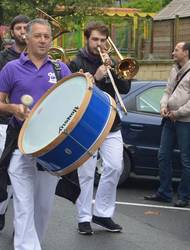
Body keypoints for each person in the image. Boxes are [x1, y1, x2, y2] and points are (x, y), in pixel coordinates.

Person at [0, 18, 72, 249]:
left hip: (50, 149)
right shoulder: (11, 68)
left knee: (43, 208)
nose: (44, 40)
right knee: (24, 207)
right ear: (27, 37)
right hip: (20, 146)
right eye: (38, 36)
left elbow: (72, 102)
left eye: (47, 36)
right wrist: (12, 108)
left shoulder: (60, 68)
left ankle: (34, 244)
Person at [68, 22, 131, 235]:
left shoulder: (111, 61)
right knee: (86, 174)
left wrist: (113, 69)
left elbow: (124, 88)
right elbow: (73, 94)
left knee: (115, 166)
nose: (99, 44)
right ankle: (84, 217)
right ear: (87, 39)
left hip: (111, 122)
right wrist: (95, 77)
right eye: (95, 39)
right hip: (86, 125)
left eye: (103, 40)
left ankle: (103, 213)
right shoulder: (76, 62)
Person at [0, 14, 29, 231]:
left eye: (25, 28)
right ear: (12, 32)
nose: (22, 31)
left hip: (30, 124)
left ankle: (21, 225)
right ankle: (1, 209)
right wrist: (11, 76)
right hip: (4, 121)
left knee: (24, 174)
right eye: (18, 28)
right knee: (9, 169)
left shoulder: (36, 56)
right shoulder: (2, 58)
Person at [144, 42, 190, 208]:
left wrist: (177, 113)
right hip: (169, 119)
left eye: (176, 50)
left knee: (186, 160)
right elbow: (167, 91)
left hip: (186, 122)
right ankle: (164, 192)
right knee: (163, 155)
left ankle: (184, 196)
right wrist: (163, 106)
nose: (173, 53)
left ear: (186, 52)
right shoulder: (174, 69)